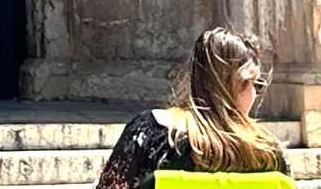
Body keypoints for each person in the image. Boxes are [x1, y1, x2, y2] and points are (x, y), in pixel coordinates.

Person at [96, 27, 287, 188]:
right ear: (240, 84)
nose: (255, 95)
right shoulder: (268, 153)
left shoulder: (150, 133)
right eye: (256, 85)